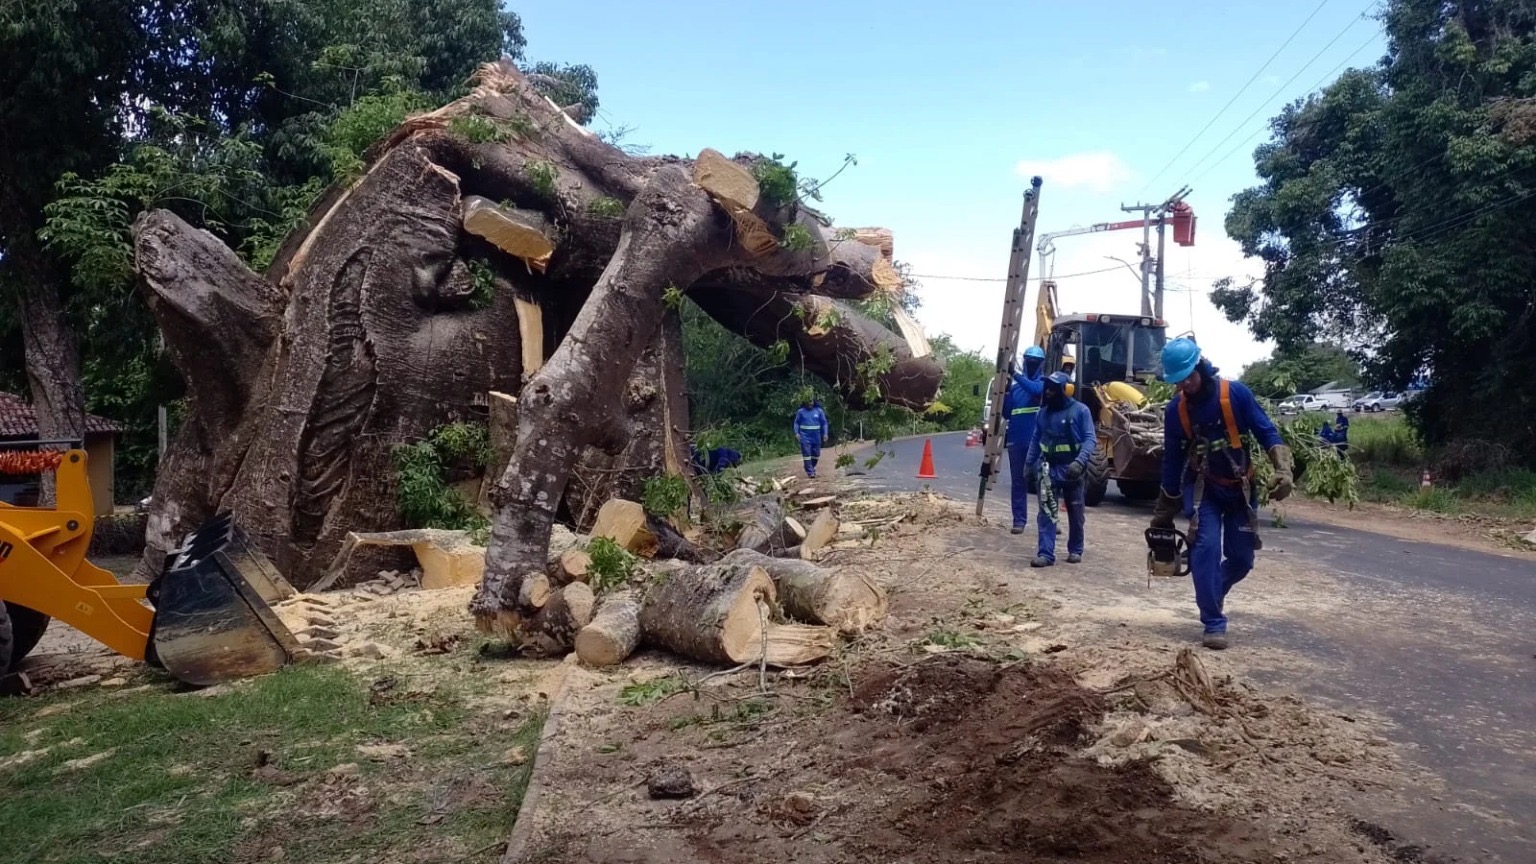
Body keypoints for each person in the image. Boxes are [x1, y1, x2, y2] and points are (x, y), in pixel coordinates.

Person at [1150, 337, 1294, 650]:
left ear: (1200, 366)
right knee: (1205, 552)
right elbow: (1172, 461)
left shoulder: (1235, 395)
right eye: (1179, 381)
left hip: (1240, 490)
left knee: (1242, 560)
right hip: (1203, 492)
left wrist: (1283, 469)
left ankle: (1213, 591)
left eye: (1189, 377)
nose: (1186, 385)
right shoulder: (1177, 411)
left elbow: (1266, 430)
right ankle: (1213, 622)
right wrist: (1164, 510)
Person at [1024, 371, 1096, 567]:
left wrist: (1080, 462)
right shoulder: (1042, 414)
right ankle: (1046, 554)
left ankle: (1075, 549)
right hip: (1048, 469)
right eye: (1047, 387)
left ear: (1066, 390)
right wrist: (1029, 465)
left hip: (1072, 469)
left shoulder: (1081, 411)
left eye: (1053, 388)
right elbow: (1035, 440)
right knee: (1046, 513)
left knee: (1076, 512)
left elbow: (1090, 439)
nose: (1048, 392)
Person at [1002, 345, 1047, 534]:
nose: (1031, 363)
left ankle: (1050, 519)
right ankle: (1019, 521)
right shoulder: (1016, 388)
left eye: (1035, 361)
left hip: (1037, 442)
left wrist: (1015, 375)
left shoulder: (1044, 382)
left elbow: (1035, 391)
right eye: (1029, 360)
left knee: (1043, 482)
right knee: (1018, 482)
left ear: (1041, 364)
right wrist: (1005, 393)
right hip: (1016, 441)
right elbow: (1007, 413)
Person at [793, 397, 829, 478]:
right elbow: (796, 423)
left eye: (811, 401)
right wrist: (797, 433)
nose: (810, 403)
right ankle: (810, 472)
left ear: (814, 402)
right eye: (808, 402)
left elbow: (824, 423)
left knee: (816, 454)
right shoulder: (801, 412)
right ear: (804, 402)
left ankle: (810, 467)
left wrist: (825, 434)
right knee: (807, 454)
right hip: (805, 436)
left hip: (816, 436)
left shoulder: (819, 411)